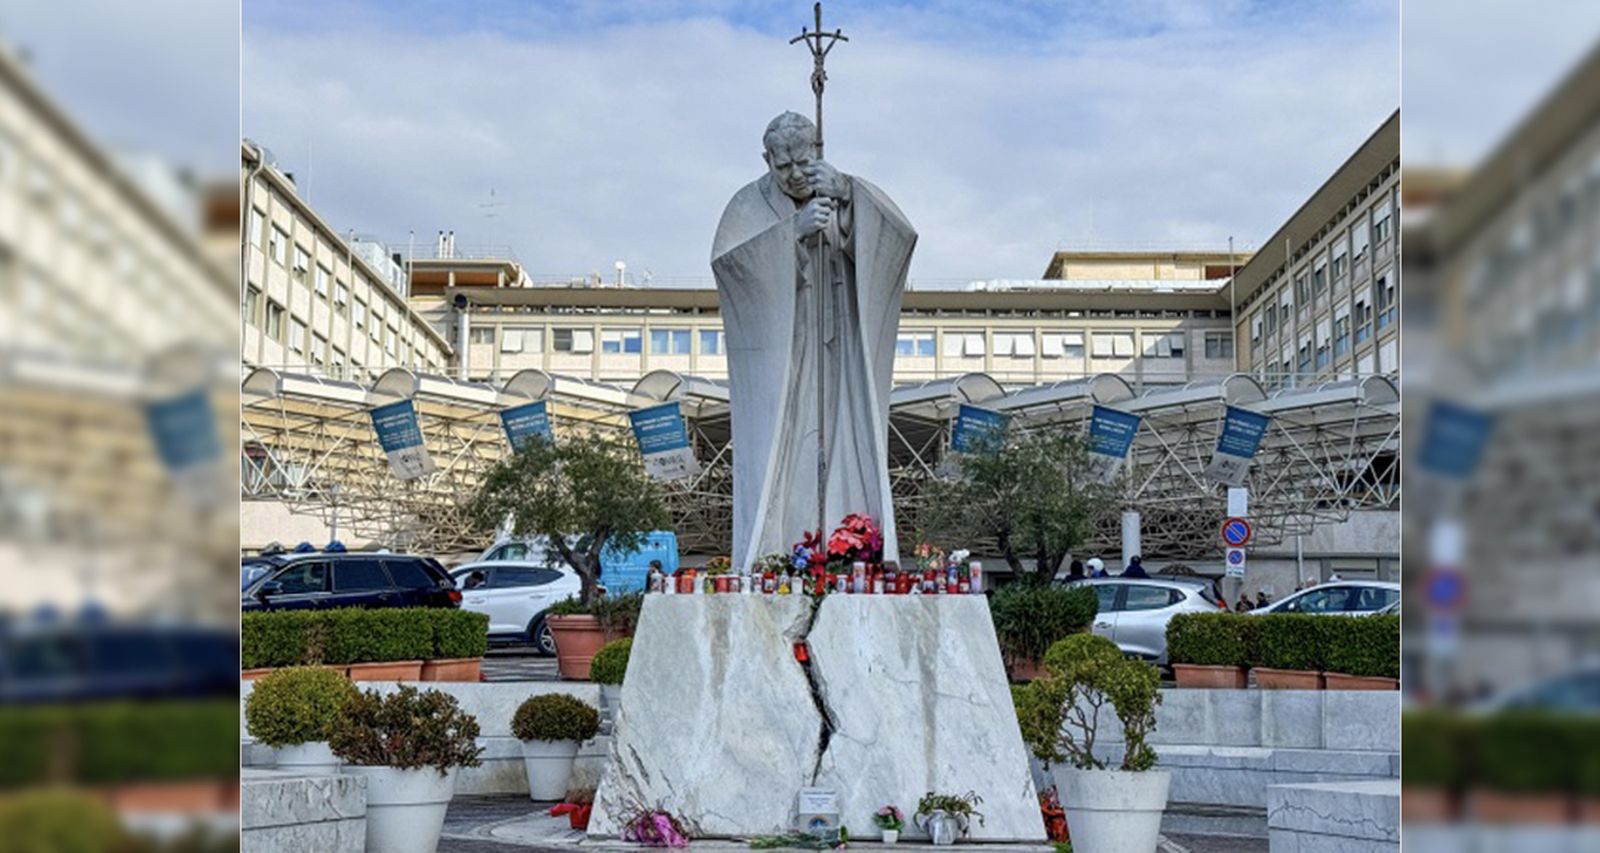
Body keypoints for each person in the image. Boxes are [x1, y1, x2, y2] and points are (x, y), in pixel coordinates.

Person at [712, 111, 918, 572]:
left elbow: (899, 239)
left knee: (845, 431)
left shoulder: (843, 189)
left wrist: (849, 200)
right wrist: (791, 235)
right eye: (781, 166)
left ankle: (851, 545)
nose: (794, 174)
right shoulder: (747, 205)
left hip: (839, 348)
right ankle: (777, 550)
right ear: (766, 159)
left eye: (803, 162)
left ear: (817, 151)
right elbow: (731, 268)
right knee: (787, 445)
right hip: (785, 354)